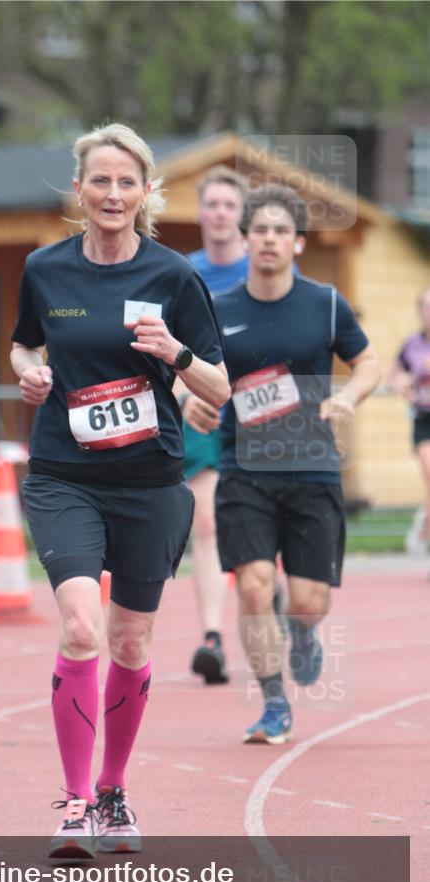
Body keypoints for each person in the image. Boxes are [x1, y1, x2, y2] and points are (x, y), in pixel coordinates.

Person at [10, 123, 229, 857]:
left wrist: (177, 352)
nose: (110, 194)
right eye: (98, 181)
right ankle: (73, 804)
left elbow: (219, 388)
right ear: (79, 190)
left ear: (144, 192)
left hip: (150, 481)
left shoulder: (173, 277)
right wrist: (28, 371)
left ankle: (112, 792)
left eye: (124, 182)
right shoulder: (45, 269)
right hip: (63, 476)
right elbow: (22, 339)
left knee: (131, 640)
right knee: (81, 627)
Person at [213, 183, 380, 745]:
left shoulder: (326, 304)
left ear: (298, 242)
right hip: (244, 468)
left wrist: (347, 398)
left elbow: (368, 364)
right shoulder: (219, 309)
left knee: (307, 603)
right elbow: (200, 377)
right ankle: (273, 703)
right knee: (254, 587)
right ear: (244, 240)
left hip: (312, 468)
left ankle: (303, 631)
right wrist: (195, 397)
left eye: (281, 231)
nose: (269, 240)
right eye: (259, 230)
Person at [181, 166, 250, 684]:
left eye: (230, 204)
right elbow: (166, 353)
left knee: (254, 533)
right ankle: (212, 638)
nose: (220, 213)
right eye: (213, 204)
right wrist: (184, 394)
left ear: (240, 214)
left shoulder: (262, 271)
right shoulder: (183, 274)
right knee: (204, 526)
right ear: (201, 211)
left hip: (256, 416)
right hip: (203, 412)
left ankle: (274, 611)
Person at [388, 286, 430, 555]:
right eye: (427, 307)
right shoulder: (412, 345)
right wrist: (401, 383)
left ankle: (425, 521)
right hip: (424, 418)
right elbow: (393, 374)